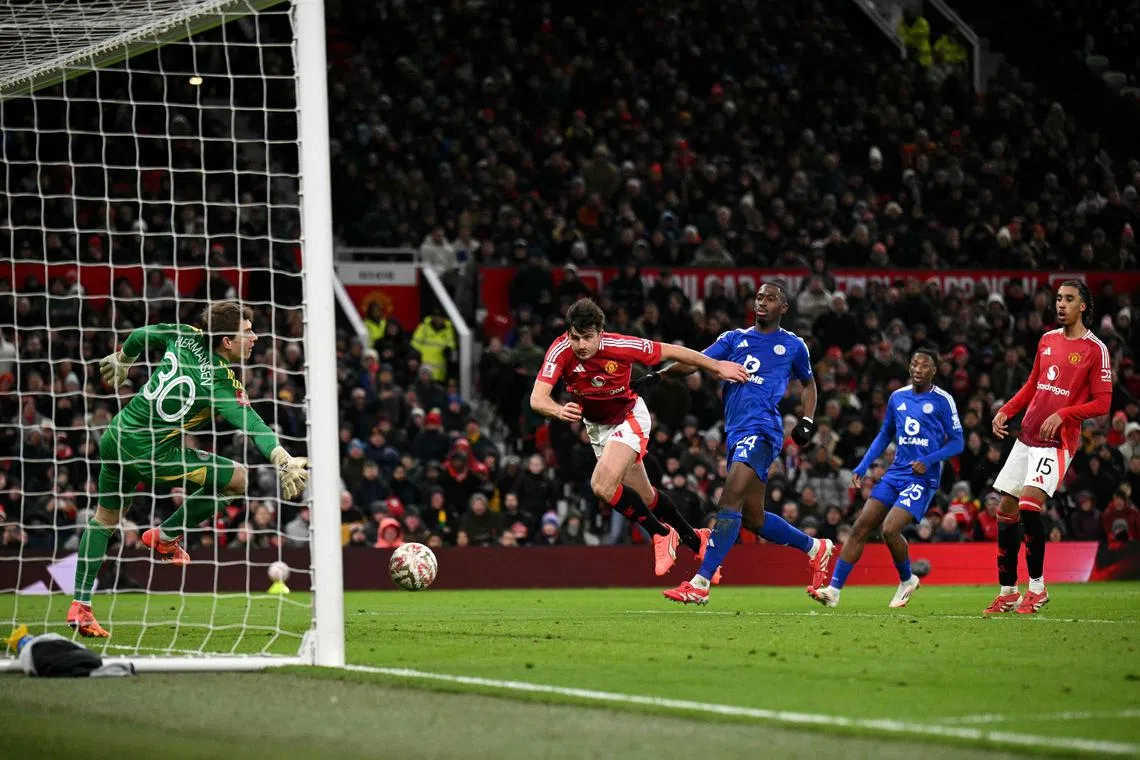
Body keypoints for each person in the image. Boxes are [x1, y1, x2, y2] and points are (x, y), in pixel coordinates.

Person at [68, 302, 310, 638]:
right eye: (247, 331)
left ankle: (80, 606)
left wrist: (123, 359)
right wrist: (282, 458)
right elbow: (251, 422)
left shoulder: (185, 335)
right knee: (238, 478)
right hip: (150, 454)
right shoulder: (221, 382)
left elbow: (141, 334)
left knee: (104, 521)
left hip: (116, 436)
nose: (254, 337)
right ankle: (166, 537)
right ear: (227, 341)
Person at [642, 283, 836, 605]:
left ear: (783, 308)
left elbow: (809, 384)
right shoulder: (734, 339)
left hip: (762, 431)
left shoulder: (793, 345)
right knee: (754, 519)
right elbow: (695, 362)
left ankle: (700, 583)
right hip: (736, 432)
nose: (762, 303)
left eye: (770, 298)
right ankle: (817, 548)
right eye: (759, 297)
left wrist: (807, 421)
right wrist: (659, 376)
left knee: (728, 500)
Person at [529, 298, 749, 576]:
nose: (581, 345)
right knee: (647, 497)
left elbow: (674, 351)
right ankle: (697, 541)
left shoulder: (622, 345)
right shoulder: (561, 349)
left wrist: (716, 366)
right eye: (575, 337)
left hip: (629, 416)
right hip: (598, 428)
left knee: (601, 485)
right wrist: (559, 411)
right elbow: (537, 399)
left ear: (600, 332)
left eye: (587, 338)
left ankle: (660, 534)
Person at [987, 281, 1111, 614]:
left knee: (1029, 507)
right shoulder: (1047, 340)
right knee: (1006, 511)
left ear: (1083, 305)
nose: (1061, 304)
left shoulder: (1094, 348)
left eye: (1069, 299)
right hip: (1027, 436)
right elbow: (1032, 385)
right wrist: (1006, 409)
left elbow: (1102, 402)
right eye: (1058, 299)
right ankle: (1008, 592)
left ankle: (1038, 589)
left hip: (1058, 442)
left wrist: (1064, 413)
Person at [807, 348, 963, 608]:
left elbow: (957, 442)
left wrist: (929, 460)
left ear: (934, 370)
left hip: (922, 478)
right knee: (859, 527)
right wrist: (863, 465)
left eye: (924, 365)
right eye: (914, 364)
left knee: (889, 529)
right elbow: (884, 435)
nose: (917, 369)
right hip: (896, 472)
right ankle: (833, 591)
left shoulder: (943, 400)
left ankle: (906, 579)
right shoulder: (897, 397)